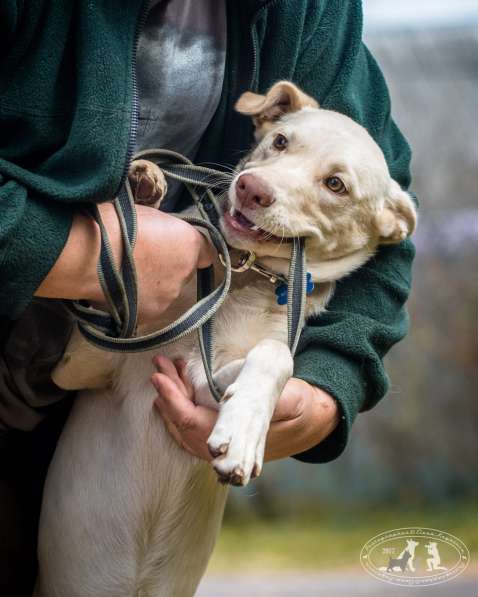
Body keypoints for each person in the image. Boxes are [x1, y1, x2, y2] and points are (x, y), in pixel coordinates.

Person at [0, 1, 415, 595]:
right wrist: (86, 255)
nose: (262, 182)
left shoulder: (314, 13)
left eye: (330, 182)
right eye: (276, 145)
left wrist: (324, 390)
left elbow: (385, 226)